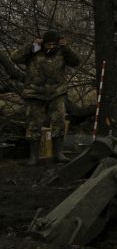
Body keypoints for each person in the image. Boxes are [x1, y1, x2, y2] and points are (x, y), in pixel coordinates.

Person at [13, 29, 80, 165]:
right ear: (43, 43)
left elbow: (75, 61)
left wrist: (66, 47)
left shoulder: (62, 52)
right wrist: (30, 46)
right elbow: (15, 58)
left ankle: (59, 154)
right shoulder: (34, 51)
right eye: (48, 44)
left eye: (53, 44)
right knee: (34, 124)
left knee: (59, 121)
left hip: (56, 92)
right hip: (35, 92)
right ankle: (33, 157)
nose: (50, 47)